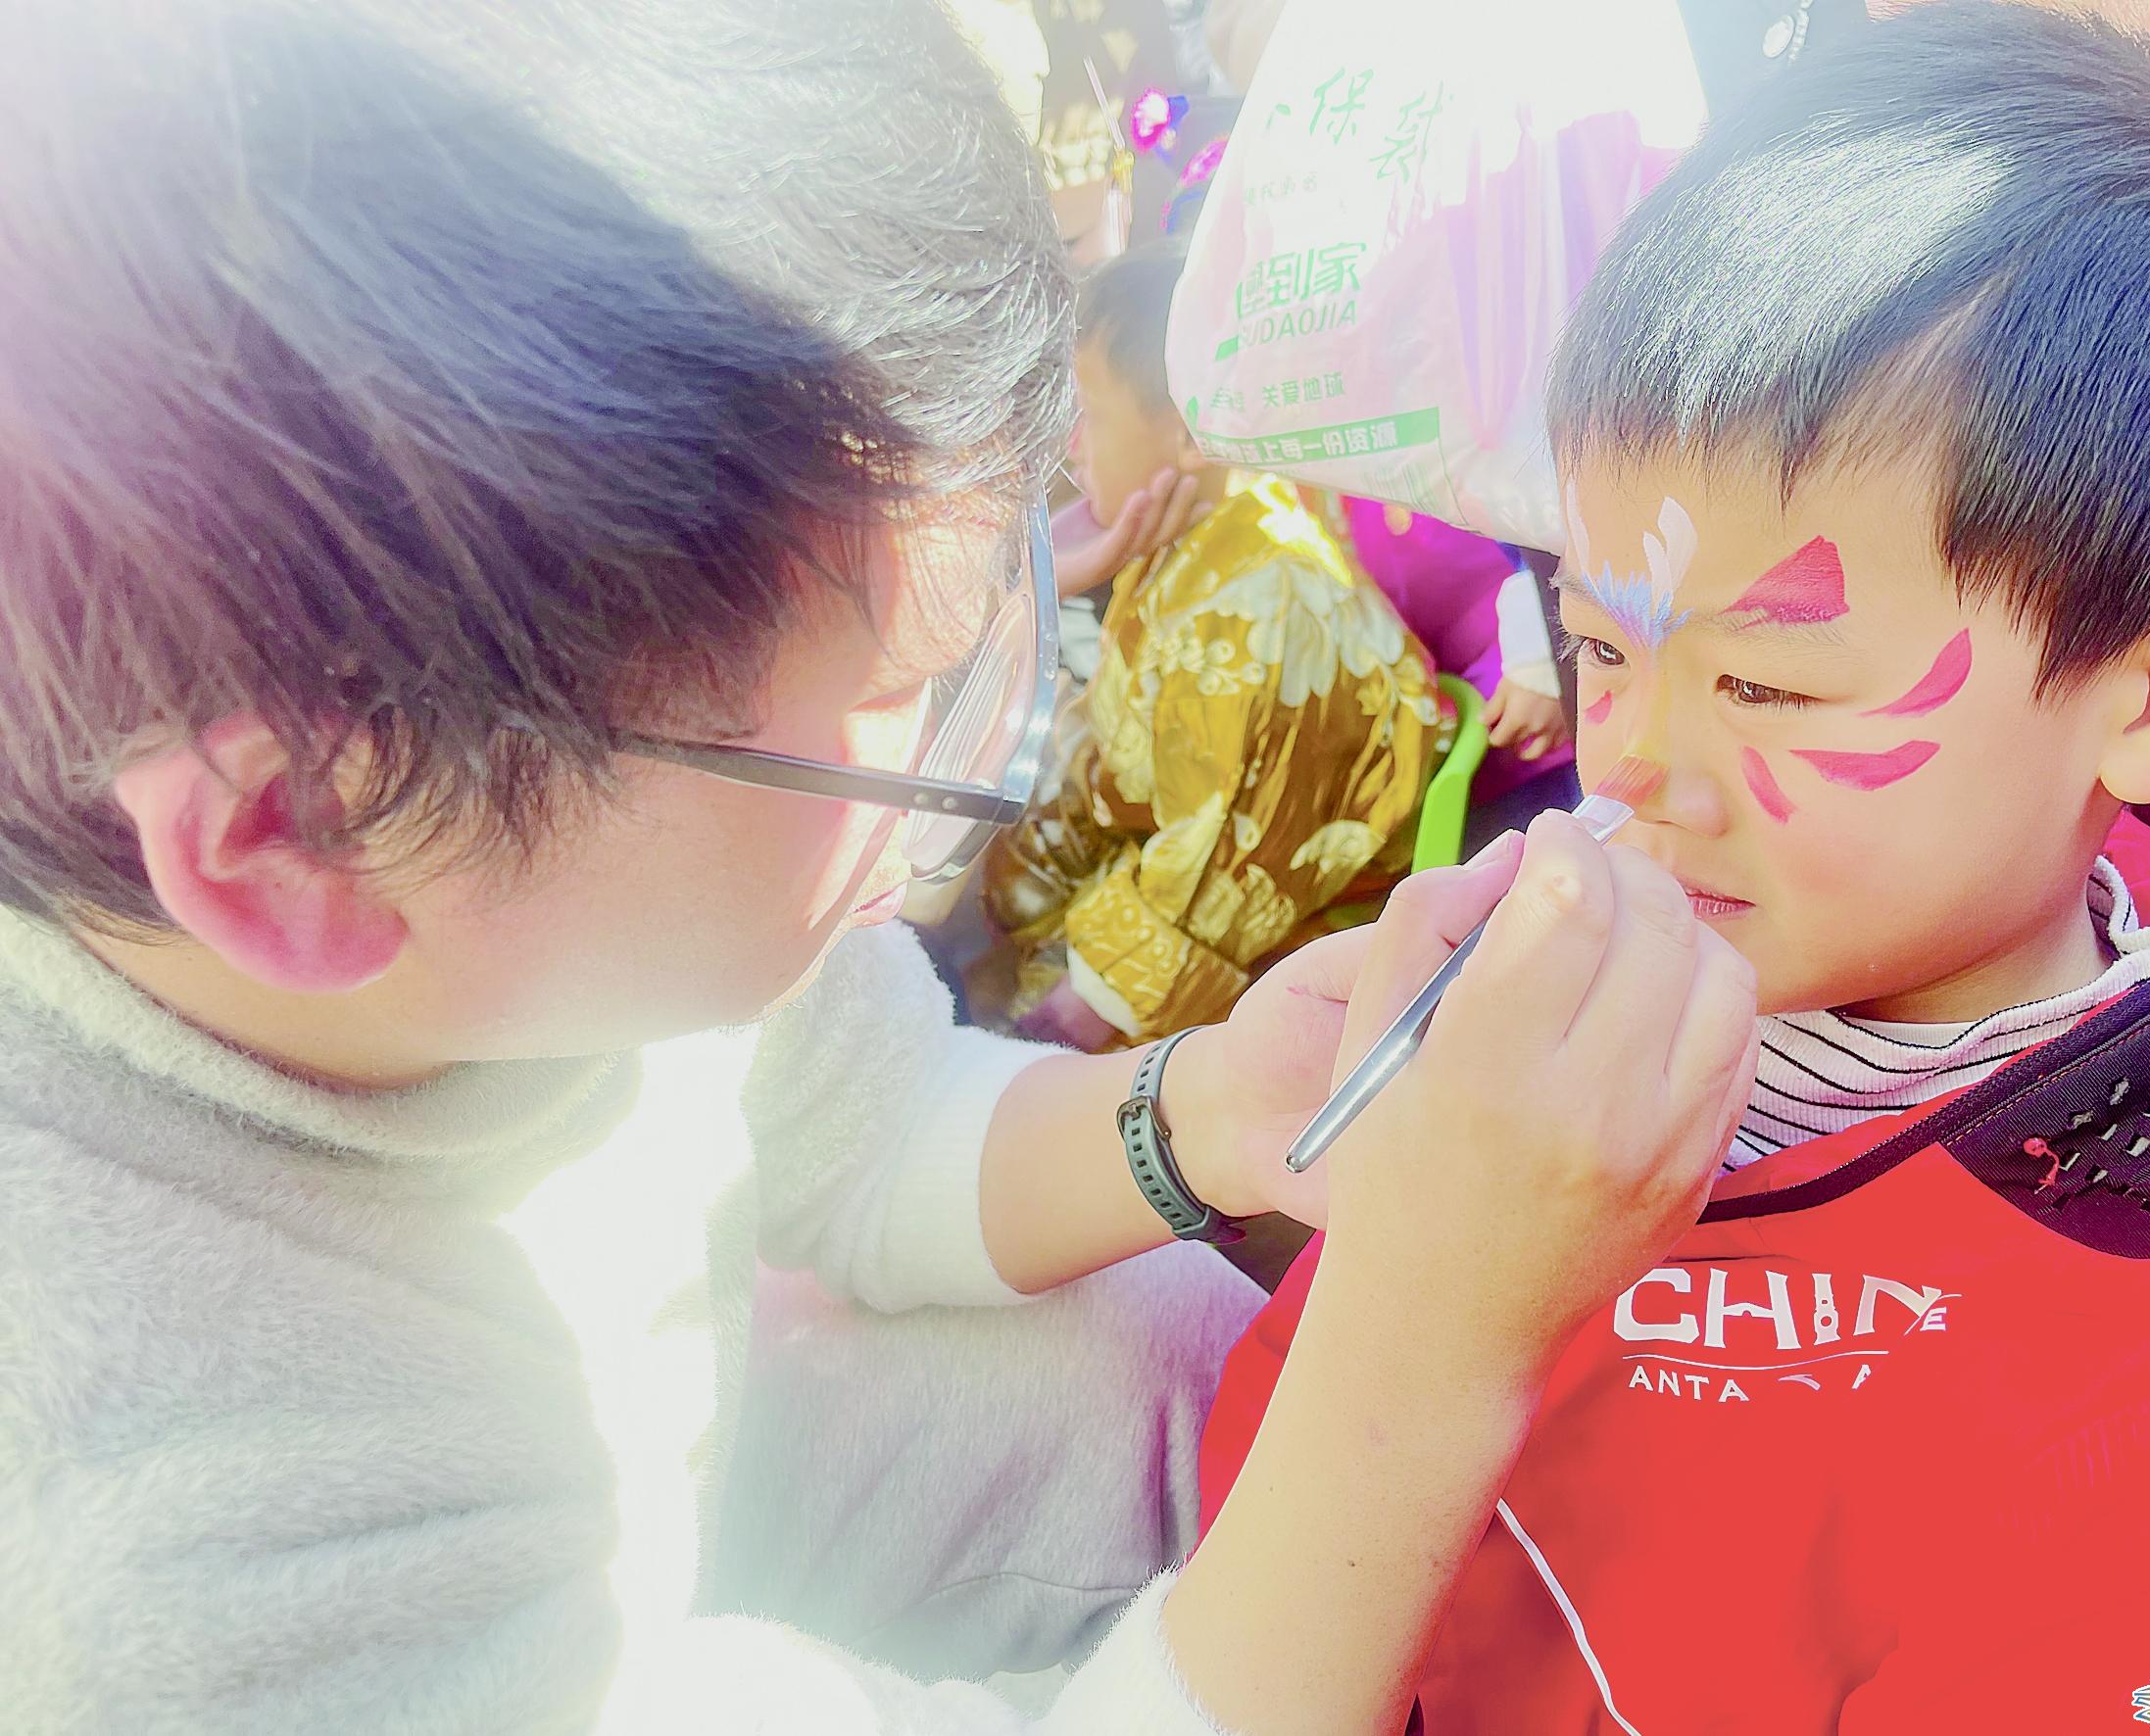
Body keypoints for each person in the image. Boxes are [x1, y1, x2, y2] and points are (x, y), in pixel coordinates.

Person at [0, 3, 1761, 1733]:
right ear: (301, 840)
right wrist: (1431, 1349)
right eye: (893, 694)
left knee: (1163, 1343)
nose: (959, 777)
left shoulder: (532, 875)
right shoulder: (175, 1590)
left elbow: (851, 1118)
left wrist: (1213, 1104)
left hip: (705, 1443)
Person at [1201, 7, 2150, 1729]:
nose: (1633, 762)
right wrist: (1404, 1230)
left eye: (1766, 687)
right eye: (1601, 646)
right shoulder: (1548, 1029)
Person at [983, 245, 1440, 1049]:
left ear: (1196, 428)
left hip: (1246, 985)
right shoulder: (1206, 531)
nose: (1071, 444)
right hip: (1137, 887)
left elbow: (1204, 894)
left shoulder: (1259, 612)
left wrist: (1038, 1038)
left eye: (1089, 413)